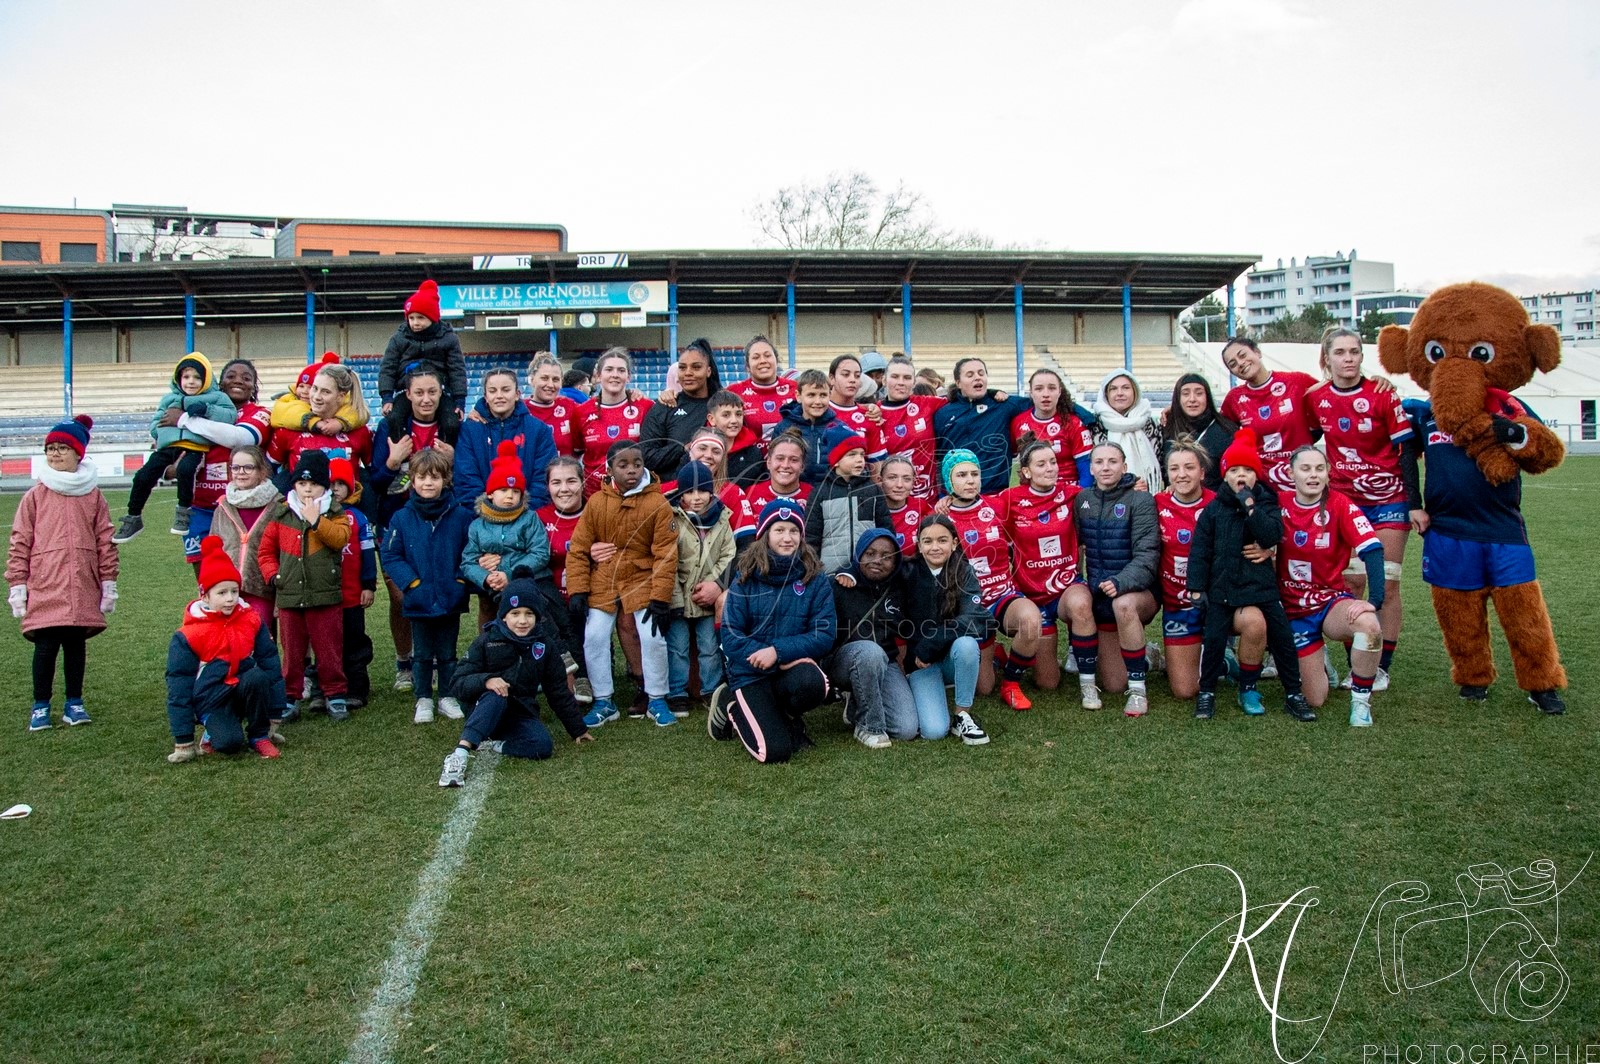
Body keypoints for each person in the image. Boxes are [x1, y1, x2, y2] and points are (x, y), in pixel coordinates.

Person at [1302, 326, 1419, 691]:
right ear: (1327, 358)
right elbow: (1302, 437)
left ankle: (1380, 667)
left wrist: (1414, 504)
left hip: (1388, 500)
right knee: (1349, 581)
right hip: (1344, 500)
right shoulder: (1315, 397)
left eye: (1354, 351)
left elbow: (1408, 455)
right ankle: (1359, 658)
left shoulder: (1383, 395)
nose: (1348, 358)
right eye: (1340, 352)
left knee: (1387, 581)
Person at [1185, 431, 1311, 721]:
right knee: (1214, 639)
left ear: (1257, 475)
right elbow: (1200, 551)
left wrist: (1250, 506)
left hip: (1261, 587)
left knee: (1282, 638)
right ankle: (1207, 693)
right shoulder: (1214, 509)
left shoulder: (1266, 502)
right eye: (1234, 470)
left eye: (1247, 470)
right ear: (1225, 474)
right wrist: (1195, 587)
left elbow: (1271, 535)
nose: (1240, 475)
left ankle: (1289, 692)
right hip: (1222, 588)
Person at [7, 415, 117, 731]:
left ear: (78, 453)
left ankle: (74, 703)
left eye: (62, 448)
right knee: (46, 643)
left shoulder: (93, 495)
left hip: (82, 582)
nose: (55, 454)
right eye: (50, 448)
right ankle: (40, 706)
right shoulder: (35, 496)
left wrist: (108, 580)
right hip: (45, 581)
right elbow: (20, 541)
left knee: (75, 643)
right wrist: (18, 583)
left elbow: (104, 540)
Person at [437, 568, 593, 787]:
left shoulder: (544, 646)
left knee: (542, 746)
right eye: (515, 613)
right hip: (485, 706)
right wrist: (486, 680)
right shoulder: (486, 641)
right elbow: (458, 682)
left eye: (529, 614)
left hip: (520, 711)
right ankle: (460, 754)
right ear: (503, 616)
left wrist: (578, 728)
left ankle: (494, 745)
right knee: (497, 693)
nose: (522, 620)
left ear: (538, 617)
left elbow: (557, 690)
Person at [707, 500, 836, 764]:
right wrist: (762, 655)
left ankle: (784, 717)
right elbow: (731, 639)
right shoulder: (745, 576)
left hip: (786, 665)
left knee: (815, 682)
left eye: (793, 531)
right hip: (750, 673)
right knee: (775, 753)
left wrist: (777, 651)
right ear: (766, 534)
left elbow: (824, 633)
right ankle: (730, 702)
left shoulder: (815, 576)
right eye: (779, 530)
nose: (787, 538)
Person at [565, 441, 678, 729]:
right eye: (623, 465)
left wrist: (660, 598)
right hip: (604, 581)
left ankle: (657, 698)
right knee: (594, 636)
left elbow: (666, 554)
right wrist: (578, 590)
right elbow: (578, 548)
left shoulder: (657, 502)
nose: (631, 470)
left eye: (637, 464)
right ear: (609, 468)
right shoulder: (597, 502)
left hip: (643, 580)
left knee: (652, 635)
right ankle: (604, 700)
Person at [1277, 446, 1386, 726]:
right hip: (1290, 611)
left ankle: (1361, 701)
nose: (1313, 475)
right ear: (1291, 474)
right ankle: (1319, 659)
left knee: (1369, 626)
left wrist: (1374, 600)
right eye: (1305, 469)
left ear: (1328, 473)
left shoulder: (1340, 505)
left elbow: (1372, 549)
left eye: (1319, 469)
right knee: (1314, 698)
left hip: (1329, 602)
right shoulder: (1278, 505)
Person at [163, 536, 287, 763]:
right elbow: (179, 684)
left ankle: (259, 735)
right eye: (221, 593)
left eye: (234, 591)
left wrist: (275, 712)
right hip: (211, 697)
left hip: (242, 687)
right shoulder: (188, 635)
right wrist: (183, 740)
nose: (230, 599)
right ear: (205, 595)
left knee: (257, 677)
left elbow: (270, 662)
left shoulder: (252, 619)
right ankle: (212, 731)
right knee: (229, 744)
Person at [939, 449, 1042, 711]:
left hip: (1002, 595)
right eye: (961, 475)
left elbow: (1039, 491)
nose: (970, 480)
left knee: (1031, 622)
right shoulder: (940, 517)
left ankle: (1011, 683)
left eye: (975, 474)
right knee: (984, 688)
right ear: (949, 481)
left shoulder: (999, 504)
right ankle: (994, 653)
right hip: (970, 604)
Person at [379, 448, 474, 725]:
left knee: (447, 652)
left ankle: (446, 696)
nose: (428, 483)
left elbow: (470, 552)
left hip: (450, 596)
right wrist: (413, 583)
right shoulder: (402, 517)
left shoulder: (460, 516)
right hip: (418, 599)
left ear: (446, 480)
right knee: (421, 654)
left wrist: (460, 581)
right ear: (412, 480)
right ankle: (423, 698)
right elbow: (391, 555)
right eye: (421, 477)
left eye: (434, 477)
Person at [256, 451, 352, 722]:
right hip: (290, 596)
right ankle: (290, 696)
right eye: (301, 484)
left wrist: (316, 521)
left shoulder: (334, 512)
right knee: (292, 652)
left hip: (325, 596)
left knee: (329, 649)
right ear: (294, 485)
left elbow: (339, 538)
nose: (307, 489)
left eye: (314, 484)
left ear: (324, 486)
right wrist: (274, 577)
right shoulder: (282, 514)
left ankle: (335, 695)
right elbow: (265, 552)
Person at [1068, 443, 1161, 716]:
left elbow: (1148, 556)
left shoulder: (1141, 500)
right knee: (1112, 683)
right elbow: (1077, 545)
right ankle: (1147, 656)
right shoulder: (1082, 499)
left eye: (1112, 461)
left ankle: (1138, 691)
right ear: (1091, 467)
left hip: (1137, 592)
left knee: (1123, 605)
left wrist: (1121, 582)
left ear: (1124, 466)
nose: (1106, 467)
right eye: (1099, 462)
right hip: (1101, 596)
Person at [165, 358, 276, 570]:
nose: (239, 381)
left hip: (244, 506)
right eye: (231, 376)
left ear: (254, 386)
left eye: (246, 378)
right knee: (207, 576)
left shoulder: (260, 414)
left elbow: (240, 438)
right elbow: (169, 451)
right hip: (200, 508)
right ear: (220, 383)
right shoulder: (201, 410)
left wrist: (184, 420)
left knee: (245, 571)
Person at [113, 351, 237, 543]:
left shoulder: (216, 397)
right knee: (143, 476)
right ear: (178, 378)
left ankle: (183, 513)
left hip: (195, 446)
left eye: (197, 377)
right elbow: (155, 423)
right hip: (167, 447)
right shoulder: (168, 399)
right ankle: (133, 517)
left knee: (186, 470)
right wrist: (161, 430)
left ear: (206, 379)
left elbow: (230, 416)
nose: (191, 382)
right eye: (186, 376)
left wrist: (206, 410)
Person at [1001, 438, 1086, 693]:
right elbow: (978, 511)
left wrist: (1133, 483)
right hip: (1032, 595)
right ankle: (1004, 653)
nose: (1050, 468)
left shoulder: (1073, 493)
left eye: (1053, 462)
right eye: (1041, 464)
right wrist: (945, 502)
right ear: (1026, 472)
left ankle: (1087, 676)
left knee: (1082, 603)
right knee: (1047, 683)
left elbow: (1107, 494)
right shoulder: (1009, 499)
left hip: (1066, 588)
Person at [901, 514, 994, 745]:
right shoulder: (906, 571)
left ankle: (962, 714)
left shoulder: (963, 570)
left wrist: (932, 642)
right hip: (921, 663)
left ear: (954, 543)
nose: (935, 547)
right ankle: (933, 692)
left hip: (949, 656)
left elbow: (976, 617)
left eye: (942, 540)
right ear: (919, 545)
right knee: (933, 731)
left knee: (967, 644)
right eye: (928, 541)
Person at [460, 441, 559, 645]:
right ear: (490, 493)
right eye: (503, 490)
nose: (509, 497)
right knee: (489, 612)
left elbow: (540, 553)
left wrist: (508, 571)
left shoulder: (529, 518)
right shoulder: (477, 525)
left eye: (515, 492)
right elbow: (467, 561)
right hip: (491, 586)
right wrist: (487, 578)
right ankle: (489, 648)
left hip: (527, 582)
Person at [827, 528, 919, 749]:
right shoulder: (839, 584)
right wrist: (846, 570)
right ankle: (869, 727)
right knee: (870, 652)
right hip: (843, 661)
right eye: (869, 553)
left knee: (906, 729)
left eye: (886, 556)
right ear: (858, 555)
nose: (877, 560)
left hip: (884, 661)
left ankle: (858, 700)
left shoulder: (900, 587)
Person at [665, 462, 736, 717]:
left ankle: (710, 690)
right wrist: (675, 598)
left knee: (709, 647)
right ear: (681, 494)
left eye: (702, 491)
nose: (696, 498)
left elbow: (729, 555)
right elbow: (667, 559)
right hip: (679, 598)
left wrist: (714, 583)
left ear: (711, 492)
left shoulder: (722, 518)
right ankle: (677, 693)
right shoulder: (672, 519)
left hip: (706, 598)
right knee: (678, 648)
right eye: (690, 492)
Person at [1151, 439, 1219, 702]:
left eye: (1189, 467)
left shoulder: (1219, 504)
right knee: (1185, 691)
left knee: (1253, 622)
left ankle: (1231, 662)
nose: (1182, 474)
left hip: (1216, 604)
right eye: (1174, 468)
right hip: (1177, 605)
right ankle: (1211, 660)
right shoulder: (1156, 503)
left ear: (1202, 472)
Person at [1219, 336, 1319, 494]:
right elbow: (1214, 428)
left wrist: (1372, 382)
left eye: (1242, 355)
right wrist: (1176, 410)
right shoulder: (1234, 398)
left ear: (1257, 352)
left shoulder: (1298, 382)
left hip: (1303, 483)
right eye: (1233, 364)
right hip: (1264, 490)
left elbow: (1333, 395)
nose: (1240, 363)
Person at [454, 366, 557, 512]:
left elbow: (542, 481)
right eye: (492, 391)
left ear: (517, 394)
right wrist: (488, 513)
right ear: (485, 396)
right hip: (481, 521)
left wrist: (521, 515)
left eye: (506, 390)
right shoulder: (470, 430)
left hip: (527, 520)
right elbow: (466, 479)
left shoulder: (539, 430)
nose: (499, 395)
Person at [209, 444, 282, 639]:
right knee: (227, 642)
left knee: (259, 641)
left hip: (262, 588)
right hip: (227, 590)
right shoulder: (222, 506)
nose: (241, 472)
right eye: (235, 467)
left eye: (248, 467)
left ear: (261, 471)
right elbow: (212, 550)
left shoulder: (279, 506)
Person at [265, 363, 374, 488]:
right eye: (315, 388)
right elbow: (268, 470)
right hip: (300, 505)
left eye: (326, 392)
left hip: (346, 505)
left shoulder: (360, 431)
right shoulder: (289, 428)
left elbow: (374, 473)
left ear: (341, 396)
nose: (316, 397)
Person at [538, 457, 592, 703]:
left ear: (582, 483)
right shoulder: (538, 518)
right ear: (547, 486)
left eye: (571, 481)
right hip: (553, 602)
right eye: (556, 482)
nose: (564, 489)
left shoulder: (596, 512)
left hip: (590, 597)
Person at [934, 357, 1032, 495]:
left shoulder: (1003, 405)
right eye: (970, 375)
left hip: (994, 495)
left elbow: (1043, 402)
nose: (977, 378)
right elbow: (938, 458)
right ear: (958, 383)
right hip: (954, 498)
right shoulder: (943, 414)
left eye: (981, 373)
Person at [329, 458, 377, 709]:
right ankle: (326, 689)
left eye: (341, 483)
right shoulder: (317, 516)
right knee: (326, 642)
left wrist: (368, 585)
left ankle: (357, 688)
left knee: (354, 641)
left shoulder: (357, 518)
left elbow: (368, 555)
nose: (335, 488)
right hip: (324, 595)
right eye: (330, 483)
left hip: (352, 594)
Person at [806, 434, 892, 573]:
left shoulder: (873, 490)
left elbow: (886, 531)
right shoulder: (820, 493)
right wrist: (814, 570)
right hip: (830, 572)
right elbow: (811, 538)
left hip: (866, 573)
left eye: (862, 455)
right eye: (852, 455)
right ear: (836, 461)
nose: (859, 460)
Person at [379, 280, 467, 413]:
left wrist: (459, 401)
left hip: (439, 393)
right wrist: (387, 398)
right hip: (406, 392)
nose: (415, 323)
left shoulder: (449, 338)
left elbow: (457, 371)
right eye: (411, 318)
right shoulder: (398, 338)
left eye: (420, 318)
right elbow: (388, 368)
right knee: (392, 420)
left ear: (432, 317)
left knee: (451, 424)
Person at [575, 347, 654, 497]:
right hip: (594, 494)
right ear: (598, 375)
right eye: (609, 370)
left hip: (635, 493)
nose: (615, 375)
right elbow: (575, 453)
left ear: (628, 376)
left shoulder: (645, 407)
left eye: (621, 370)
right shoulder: (581, 412)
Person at [640, 339, 722, 478]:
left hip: (717, 489)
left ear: (708, 371)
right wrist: (683, 449)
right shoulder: (665, 407)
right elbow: (646, 456)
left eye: (696, 367)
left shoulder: (722, 405)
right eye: (682, 368)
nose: (688, 373)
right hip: (673, 493)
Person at [875, 355, 945, 501]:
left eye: (907, 377)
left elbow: (962, 396)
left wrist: (992, 392)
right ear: (884, 380)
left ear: (914, 382)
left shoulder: (927, 404)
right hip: (891, 503)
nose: (901, 382)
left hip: (927, 501)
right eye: (895, 376)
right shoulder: (873, 414)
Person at [1012, 368, 1094, 487]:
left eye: (1052, 388)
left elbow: (1086, 468)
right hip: (1032, 495)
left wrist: (1082, 499)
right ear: (1031, 393)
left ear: (1059, 392)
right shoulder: (1018, 422)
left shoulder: (1073, 423)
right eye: (1039, 389)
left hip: (1068, 493)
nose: (1046, 394)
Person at [774, 369, 854, 484]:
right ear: (798, 396)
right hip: (795, 493)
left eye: (823, 395)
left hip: (829, 494)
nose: (817, 401)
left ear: (830, 395)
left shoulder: (840, 429)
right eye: (811, 395)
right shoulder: (783, 428)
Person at [1091, 371, 1164, 493]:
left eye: (1125, 388)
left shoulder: (1149, 423)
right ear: (1106, 394)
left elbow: (1160, 462)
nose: (1120, 393)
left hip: (1147, 495)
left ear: (1135, 392)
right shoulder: (1095, 424)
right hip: (1107, 496)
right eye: (1113, 389)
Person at [1162, 374, 1236, 491]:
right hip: (1179, 505)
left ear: (1207, 397)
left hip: (1217, 503)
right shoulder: (1167, 430)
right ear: (1177, 398)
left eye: (1199, 393)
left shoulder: (1227, 430)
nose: (1192, 399)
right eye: (1185, 394)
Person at [729, 335, 796, 446]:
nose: (763, 361)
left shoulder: (796, 389)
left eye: (767, 355)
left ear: (777, 360)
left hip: (788, 461)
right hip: (749, 461)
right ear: (747, 366)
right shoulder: (733, 392)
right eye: (756, 357)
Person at [824, 354, 887, 465]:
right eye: (845, 375)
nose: (852, 380)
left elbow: (877, 466)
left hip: (858, 481)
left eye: (857, 376)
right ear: (831, 379)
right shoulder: (817, 411)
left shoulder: (869, 416)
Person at [522, 352, 581, 456]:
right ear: (531, 379)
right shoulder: (519, 409)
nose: (550, 385)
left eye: (555, 379)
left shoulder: (569, 406)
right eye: (544, 378)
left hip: (564, 470)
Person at [744, 431, 815, 515]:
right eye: (780, 458)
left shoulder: (813, 496)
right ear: (768, 462)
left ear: (802, 466)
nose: (785, 465)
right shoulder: (751, 493)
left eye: (794, 460)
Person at [707, 389, 766, 487]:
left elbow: (759, 488)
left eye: (738, 414)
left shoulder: (753, 453)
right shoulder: (698, 451)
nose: (734, 420)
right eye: (726, 415)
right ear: (712, 419)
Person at [877, 454, 925, 557]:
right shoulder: (870, 509)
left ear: (913, 482)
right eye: (892, 478)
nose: (899, 485)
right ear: (880, 481)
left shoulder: (923, 507)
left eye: (907, 479)